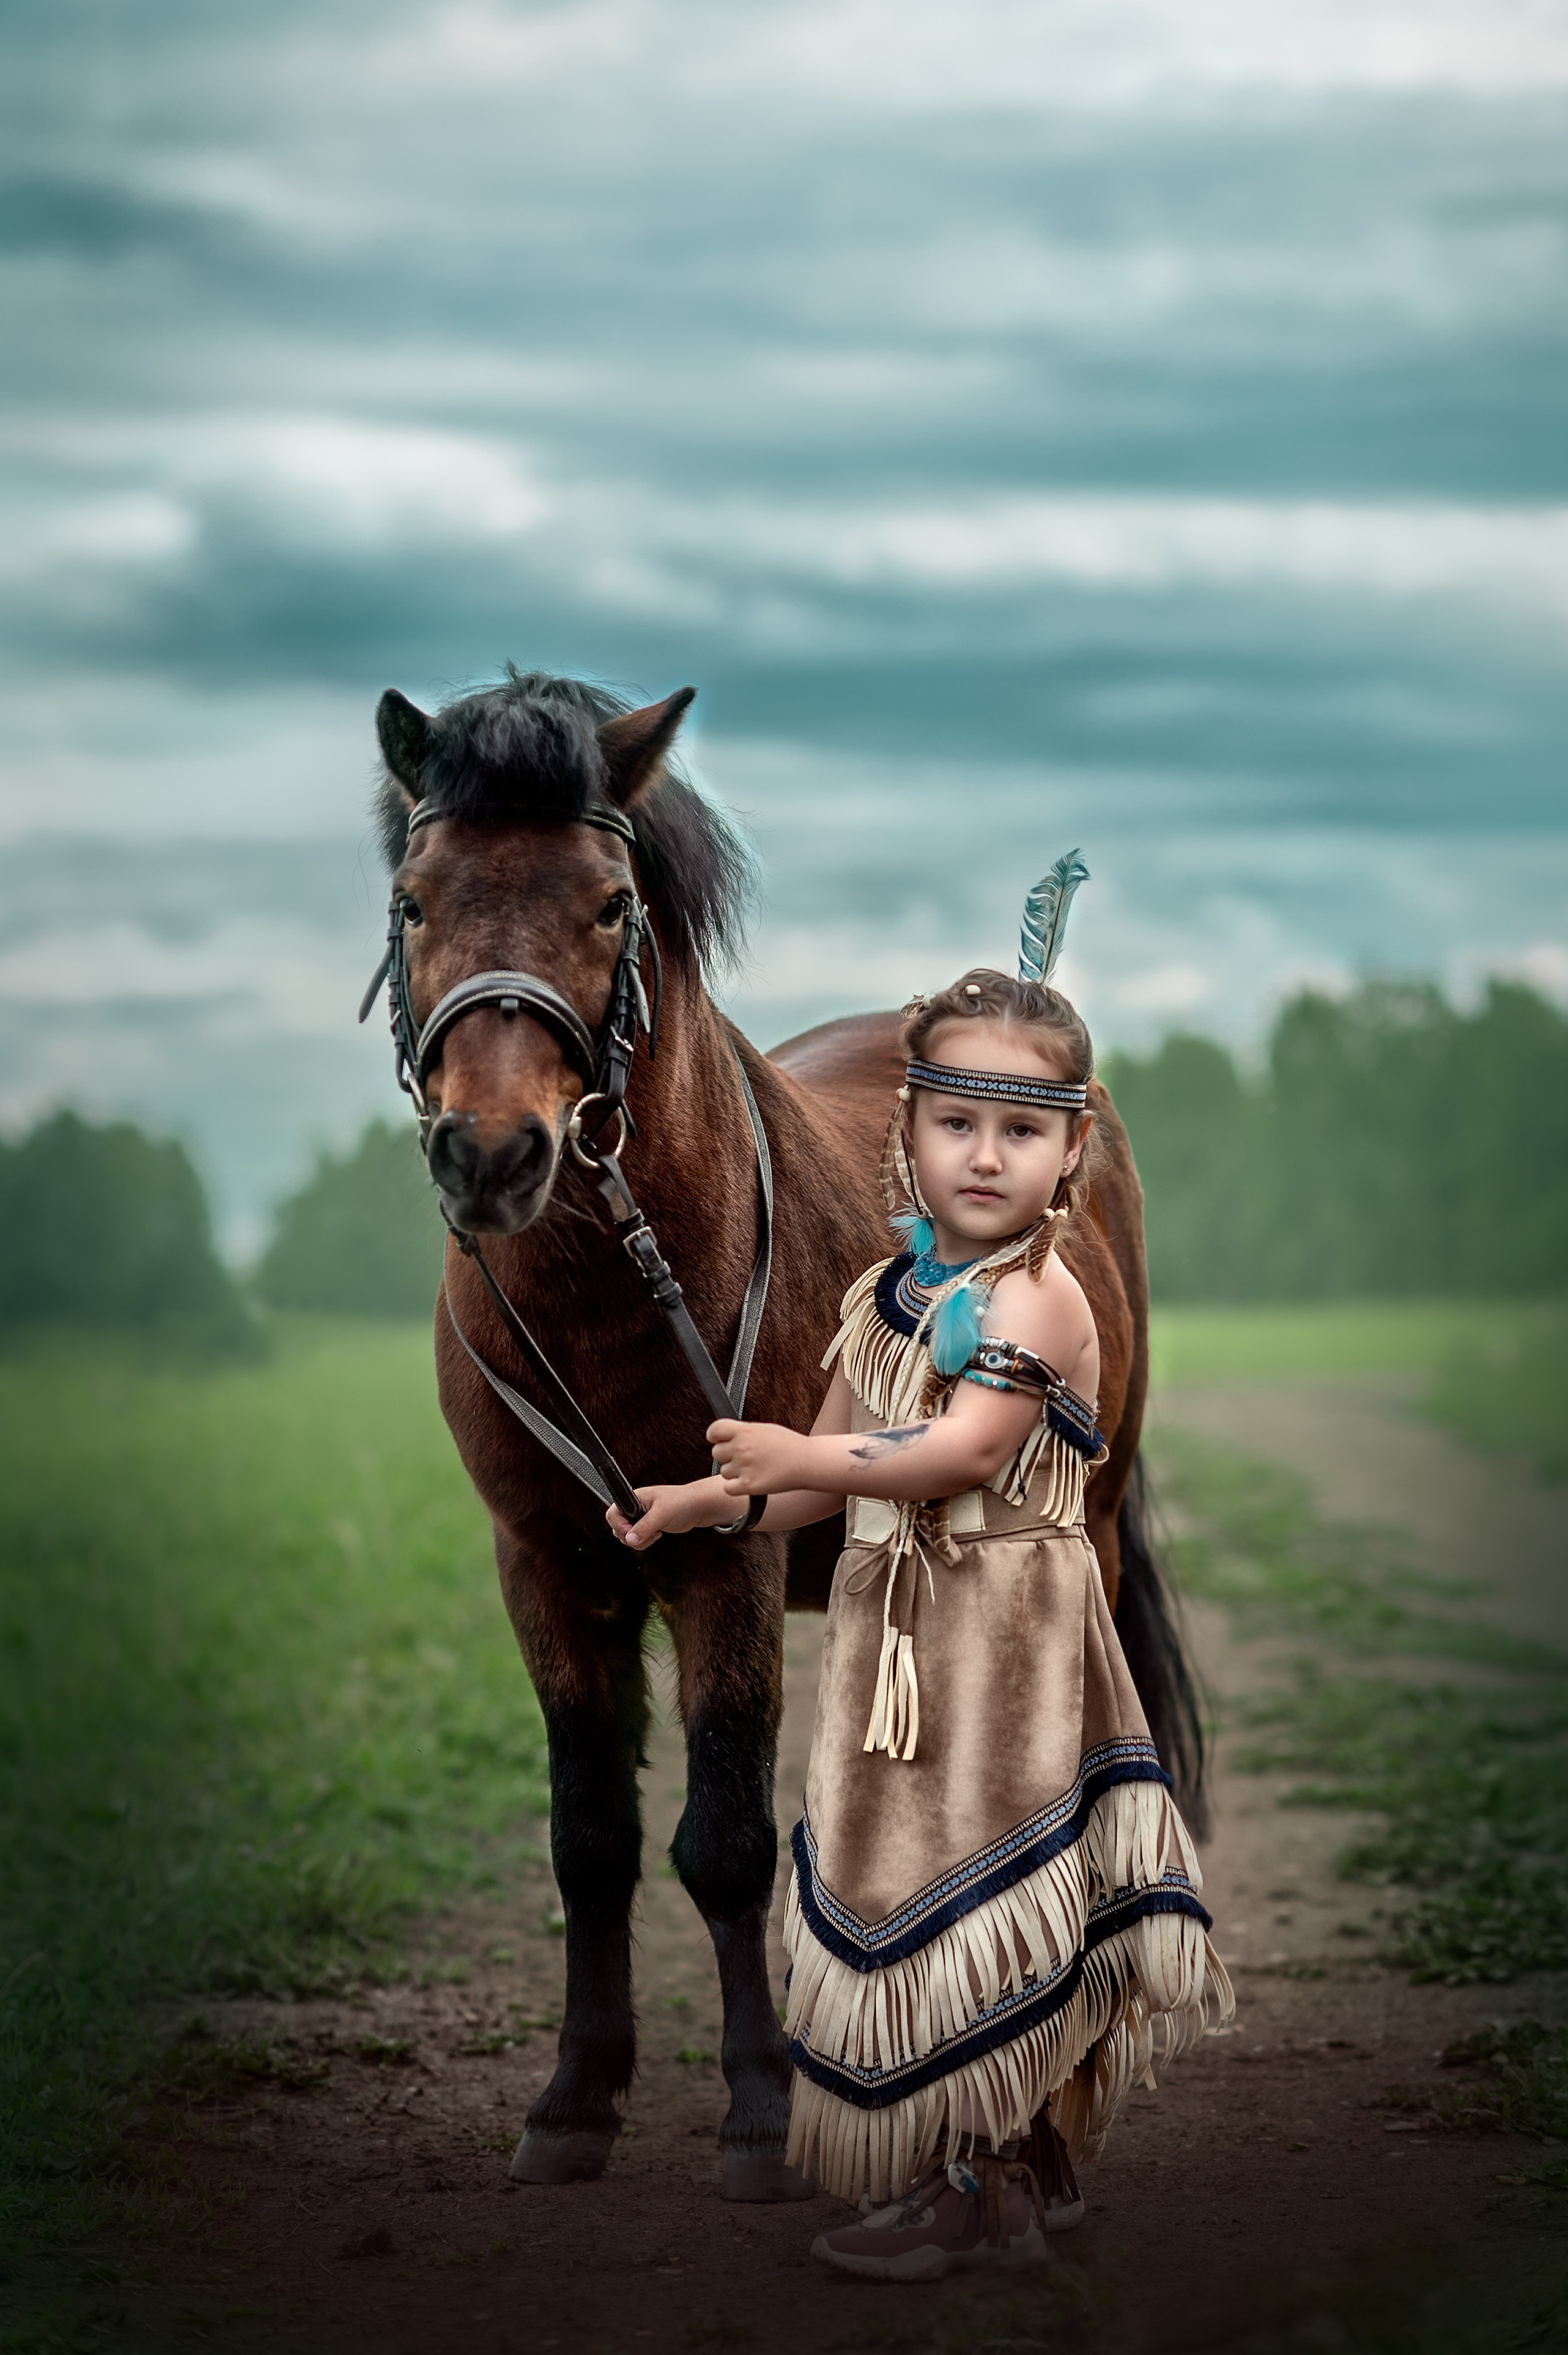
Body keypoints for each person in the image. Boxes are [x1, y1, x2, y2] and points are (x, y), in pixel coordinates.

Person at [608, 861, 1231, 2283]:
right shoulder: (884, 1294)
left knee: (1005, 1899)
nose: (984, 1155)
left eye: (1023, 1129)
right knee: (926, 1908)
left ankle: (1005, 2179)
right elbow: (816, 1448)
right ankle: (982, 2171)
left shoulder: (1041, 1298)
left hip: (1009, 1647)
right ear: (907, 1139)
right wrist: (707, 1498)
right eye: (956, 1121)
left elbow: (941, 1455)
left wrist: (794, 1460)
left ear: (1071, 1158)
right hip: (906, 1661)